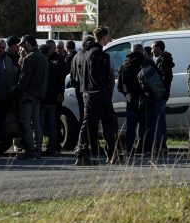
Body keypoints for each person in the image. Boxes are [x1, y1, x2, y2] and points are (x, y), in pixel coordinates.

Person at [75, 27, 118, 166]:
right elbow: (100, 77)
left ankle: (81, 153)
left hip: (87, 93)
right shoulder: (101, 55)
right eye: (107, 38)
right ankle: (112, 154)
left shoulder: (85, 53)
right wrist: (106, 92)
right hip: (99, 93)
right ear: (104, 37)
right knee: (109, 123)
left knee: (87, 124)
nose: (108, 40)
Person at [16, 35, 48, 160]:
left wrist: (18, 91)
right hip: (39, 96)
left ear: (27, 44)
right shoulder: (43, 58)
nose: (23, 48)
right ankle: (38, 149)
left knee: (26, 122)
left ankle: (30, 150)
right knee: (36, 123)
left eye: (23, 45)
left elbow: (24, 79)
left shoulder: (29, 58)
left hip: (28, 96)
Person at [118, 44, 150, 157]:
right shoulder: (146, 64)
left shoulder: (124, 65)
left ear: (131, 51)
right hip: (144, 99)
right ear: (141, 51)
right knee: (143, 126)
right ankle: (143, 148)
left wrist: (127, 94)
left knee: (130, 127)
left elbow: (120, 86)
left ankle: (129, 149)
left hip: (131, 100)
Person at [0, 38, 19, 154]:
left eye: (3, 47)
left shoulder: (8, 60)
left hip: (7, 98)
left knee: (3, 124)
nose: (1, 49)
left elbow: (13, 75)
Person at [42, 40, 67, 155]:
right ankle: (51, 145)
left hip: (55, 96)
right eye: (47, 47)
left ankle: (55, 145)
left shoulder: (59, 61)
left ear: (54, 48)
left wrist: (60, 94)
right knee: (47, 123)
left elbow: (62, 79)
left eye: (50, 47)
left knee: (55, 122)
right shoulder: (45, 60)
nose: (48, 49)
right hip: (45, 96)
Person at [151, 40, 175, 155]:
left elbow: (166, 78)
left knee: (158, 120)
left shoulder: (164, 61)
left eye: (153, 48)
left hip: (160, 95)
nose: (152, 51)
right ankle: (162, 145)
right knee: (161, 120)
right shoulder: (162, 60)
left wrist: (159, 90)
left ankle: (160, 145)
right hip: (162, 95)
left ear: (159, 48)